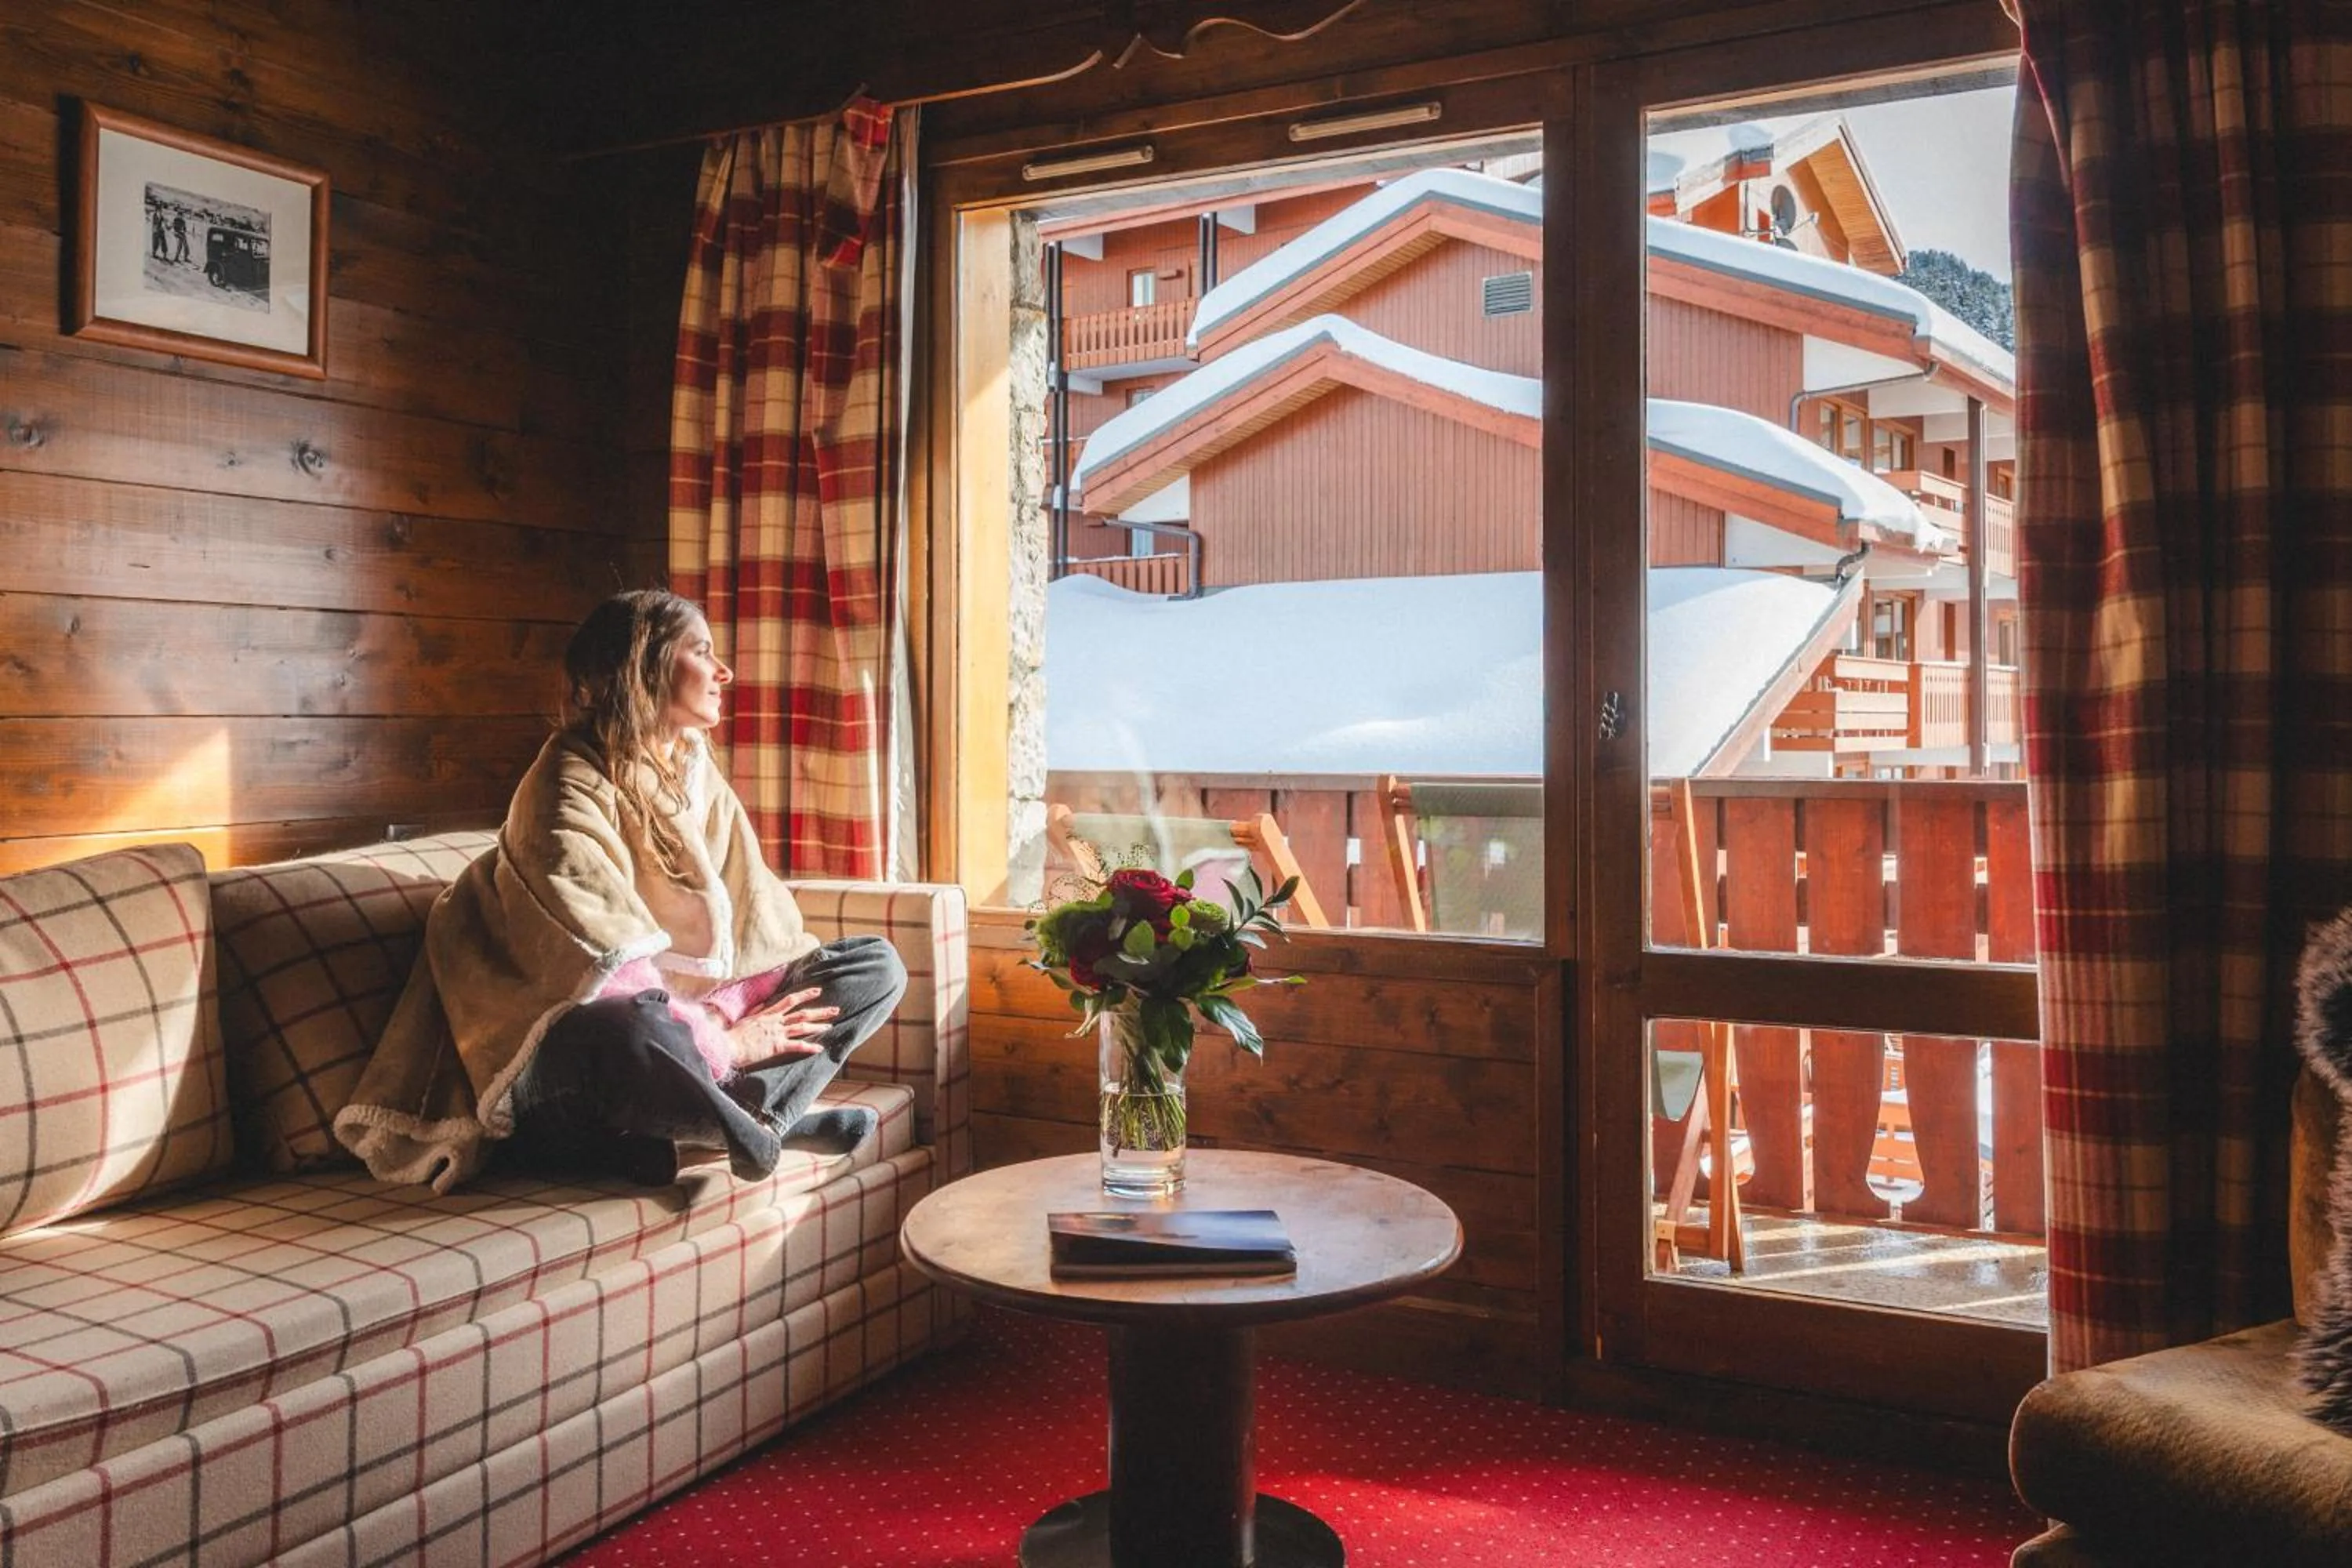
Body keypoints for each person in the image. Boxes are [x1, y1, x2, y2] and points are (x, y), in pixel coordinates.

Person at [334, 590, 906, 1192]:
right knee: (631, 1029)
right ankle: (748, 1124)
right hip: (567, 1064)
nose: (724, 672)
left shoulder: (694, 777)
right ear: (646, 665)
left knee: (873, 966)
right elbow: (602, 970)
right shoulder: (562, 788)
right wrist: (727, 1044)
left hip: (688, 1050)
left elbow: (755, 934)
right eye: (703, 651)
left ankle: (744, 1122)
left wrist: (734, 1014)